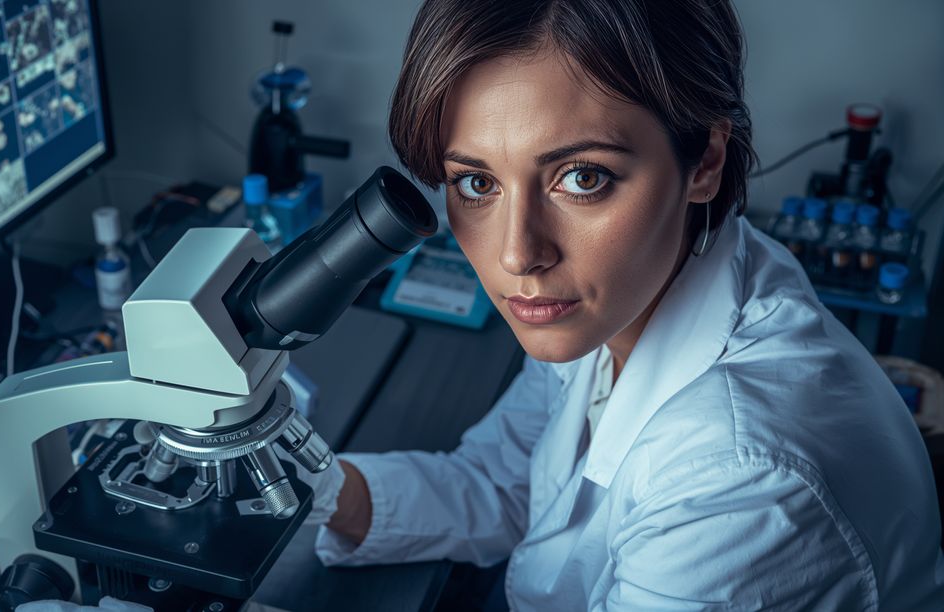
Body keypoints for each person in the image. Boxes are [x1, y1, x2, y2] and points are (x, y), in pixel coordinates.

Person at [297, 0, 944, 609]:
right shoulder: (625, 295)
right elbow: (506, 483)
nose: (518, 255)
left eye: (583, 178)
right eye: (476, 182)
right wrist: (301, 480)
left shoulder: (742, 486)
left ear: (705, 161)